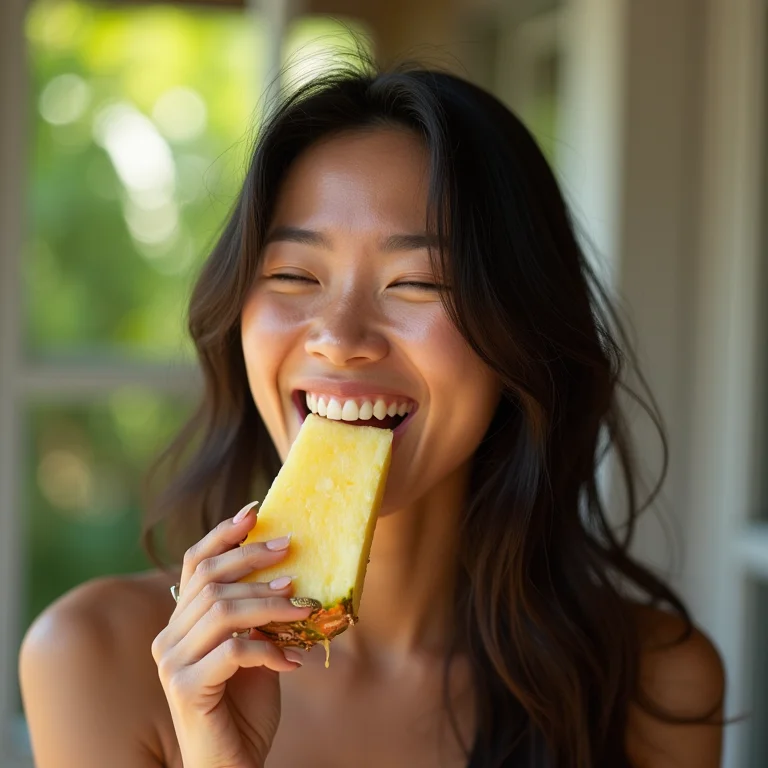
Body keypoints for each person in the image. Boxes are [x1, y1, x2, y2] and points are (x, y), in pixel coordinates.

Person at [19, 62, 725, 768]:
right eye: (294, 275)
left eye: (416, 283)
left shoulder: (653, 684)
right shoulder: (94, 662)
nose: (341, 337)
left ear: (521, 336)